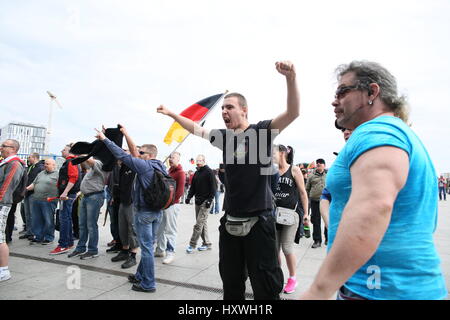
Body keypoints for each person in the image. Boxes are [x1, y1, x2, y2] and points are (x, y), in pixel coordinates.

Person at [299, 60, 447, 300]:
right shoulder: (391, 131)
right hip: (382, 287)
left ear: (372, 92)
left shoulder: (376, 131)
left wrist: (319, 290)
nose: (334, 100)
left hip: (382, 290)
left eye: (342, 91)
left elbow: (373, 209)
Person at [157, 60, 299, 300]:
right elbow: (196, 128)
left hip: (259, 222)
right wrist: (172, 114)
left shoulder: (261, 132)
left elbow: (293, 113)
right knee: (231, 283)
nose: (224, 111)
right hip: (231, 222)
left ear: (244, 110)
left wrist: (290, 78)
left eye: (229, 107)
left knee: (265, 284)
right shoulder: (223, 138)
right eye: (222, 108)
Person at [96, 125, 167, 293]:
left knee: (147, 249)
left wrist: (105, 139)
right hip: (158, 211)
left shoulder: (145, 166)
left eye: (141, 153)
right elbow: (133, 152)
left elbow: (121, 154)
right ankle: (141, 276)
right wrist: (126, 133)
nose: (137, 154)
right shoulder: (160, 166)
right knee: (149, 245)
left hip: (145, 213)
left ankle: (148, 283)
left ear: (148, 156)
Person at [273, 145, 308, 294]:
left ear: (282, 153)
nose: (271, 155)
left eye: (273, 152)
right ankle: (278, 277)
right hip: (274, 214)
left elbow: (302, 192)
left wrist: (306, 213)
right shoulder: (272, 170)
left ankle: (293, 278)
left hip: (291, 214)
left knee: (287, 248)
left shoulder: (294, 170)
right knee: (274, 250)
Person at [68, 157, 108, 259]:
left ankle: (92, 250)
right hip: (86, 196)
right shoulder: (92, 168)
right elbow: (86, 162)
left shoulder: (100, 163)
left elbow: (89, 160)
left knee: (91, 225)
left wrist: (79, 150)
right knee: (82, 224)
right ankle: (81, 248)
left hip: (94, 197)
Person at [0, 139, 26, 282]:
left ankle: (3, 271)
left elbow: (8, 185)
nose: (1, 148)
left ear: (13, 149)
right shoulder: (6, 162)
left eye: (3, 146)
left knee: (0, 239)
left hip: (2, 204)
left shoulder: (14, 163)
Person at [50, 144, 81, 255]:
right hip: (68, 194)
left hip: (67, 195)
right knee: (66, 218)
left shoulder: (70, 161)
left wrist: (65, 192)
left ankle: (63, 244)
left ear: (70, 151)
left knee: (64, 219)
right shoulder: (71, 161)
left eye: (64, 149)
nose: (61, 151)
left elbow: (73, 177)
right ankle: (68, 242)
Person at [155, 151, 185, 264]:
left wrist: (170, 203)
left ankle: (170, 253)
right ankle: (160, 249)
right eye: (170, 157)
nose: (171, 159)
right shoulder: (169, 171)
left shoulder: (180, 172)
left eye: (173, 157)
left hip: (172, 205)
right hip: (165, 205)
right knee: (160, 229)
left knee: (170, 230)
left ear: (178, 159)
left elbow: (180, 192)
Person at [111, 157, 139, 269]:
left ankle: (133, 255)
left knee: (132, 229)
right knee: (122, 227)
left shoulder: (135, 166)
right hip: (122, 201)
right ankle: (124, 250)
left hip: (132, 202)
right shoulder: (122, 167)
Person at [184, 155, 216, 253]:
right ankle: (207, 243)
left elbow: (213, 187)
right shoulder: (197, 173)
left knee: (198, 224)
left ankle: (192, 245)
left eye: (200, 160)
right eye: (197, 161)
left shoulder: (209, 172)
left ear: (204, 161)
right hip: (197, 201)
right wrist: (189, 197)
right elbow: (193, 187)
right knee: (202, 223)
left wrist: (210, 200)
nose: (198, 162)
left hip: (206, 202)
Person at [26, 159, 59, 245]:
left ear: (54, 165)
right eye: (45, 164)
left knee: (48, 220)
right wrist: (24, 189)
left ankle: (49, 237)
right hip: (36, 199)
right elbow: (34, 184)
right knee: (37, 220)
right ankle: (38, 237)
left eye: (48, 164)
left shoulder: (58, 174)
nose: (45, 165)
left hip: (49, 201)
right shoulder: (41, 173)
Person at [19, 153, 45, 240]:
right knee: (27, 214)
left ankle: (34, 233)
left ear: (34, 158)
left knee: (33, 214)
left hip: (33, 193)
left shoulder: (40, 168)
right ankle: (29, 232)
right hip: (27, 193)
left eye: (29, 157)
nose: (28, 158)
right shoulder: (31, 167)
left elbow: (39, 181)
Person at [305, 158, 327, 248]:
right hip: (315, 201)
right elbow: (307, 189)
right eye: (317, 163)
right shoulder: (311, 176)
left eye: (321, 163)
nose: (318, 164)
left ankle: (328, 238)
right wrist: (307, 200)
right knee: (316, 221)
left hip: (326, 201)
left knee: (327, 220)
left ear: (324, 165)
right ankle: (317, 240)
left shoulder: (328, 175)